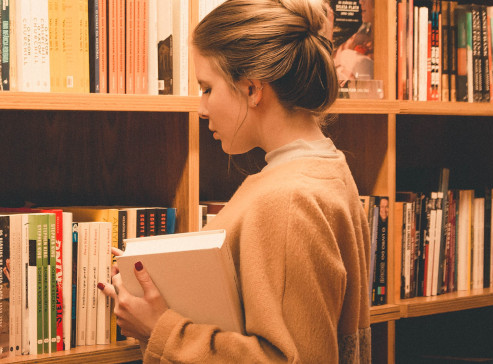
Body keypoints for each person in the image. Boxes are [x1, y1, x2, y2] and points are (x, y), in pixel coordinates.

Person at [98, 0, 372, 362]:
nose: (201, 107)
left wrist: (161, 328)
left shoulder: (289, 199)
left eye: (207, 88)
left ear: (252, 90)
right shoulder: (325, 166)